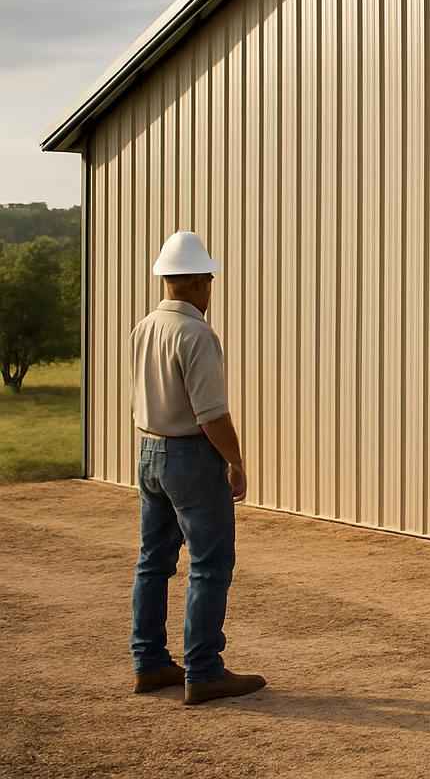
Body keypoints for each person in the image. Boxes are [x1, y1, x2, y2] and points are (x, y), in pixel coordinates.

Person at [129, 231, 266, 705]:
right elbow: (211, 413)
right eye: (208, 279)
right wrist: (235, 461)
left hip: (149, 451)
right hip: (190, 456)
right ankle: (204, 670)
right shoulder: (197, 334)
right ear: (197, 283)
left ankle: (149, 662)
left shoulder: (144, 328)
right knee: (209, 564)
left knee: (153, 562)